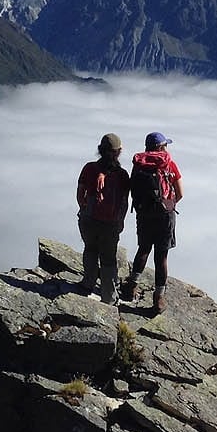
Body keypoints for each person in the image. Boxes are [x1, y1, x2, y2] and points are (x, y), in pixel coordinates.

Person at [124, 131, 183, 313]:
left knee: (143, 249)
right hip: (165, 215)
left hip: (143, 213)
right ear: (160, 147)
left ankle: (132, 286)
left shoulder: (139, 165)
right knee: (161, 256)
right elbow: (180, 193)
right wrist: (168, 205)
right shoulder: (168, 163)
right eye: (165, 145)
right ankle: (158, 298)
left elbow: (132, 188)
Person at [75, 133, 130, 303]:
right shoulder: (122, 175)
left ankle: (87, 283)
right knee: (108, 260)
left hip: (89, 219)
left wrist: (83, 209)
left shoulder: (89, 168)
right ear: (118, 152)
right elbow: (124, 202)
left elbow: (80, 194)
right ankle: (109, 297)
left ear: (100, 150)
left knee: (90, 250)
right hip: (110, 224)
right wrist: (120, 221)